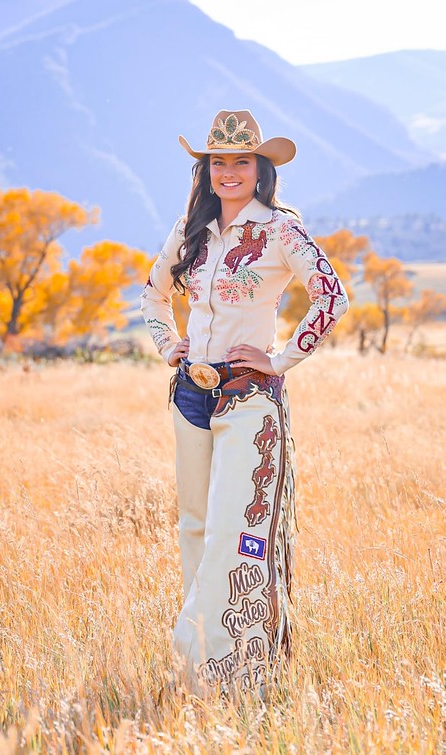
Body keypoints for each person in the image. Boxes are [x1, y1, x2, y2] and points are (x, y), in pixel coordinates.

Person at [141, 109, 349, 695]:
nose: (228, 172)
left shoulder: (280, 231)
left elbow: (331, 295)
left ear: (261, 170)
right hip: (190, 394)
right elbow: (151, 297)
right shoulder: (190, 231)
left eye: (240, 162)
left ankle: (232, 667)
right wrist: (168, 346)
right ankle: (205, 667)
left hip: (249, 397)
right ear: (205, 170)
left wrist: (281, 359)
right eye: (218, 162)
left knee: (240, 531)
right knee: (195, 528)